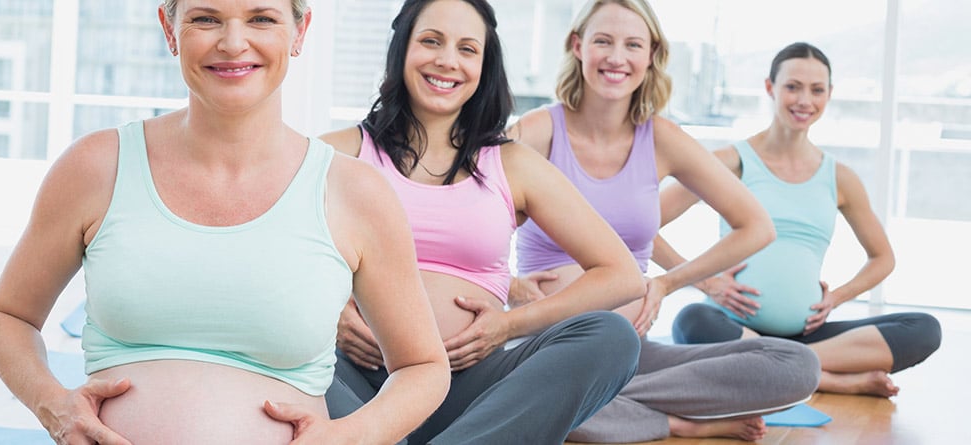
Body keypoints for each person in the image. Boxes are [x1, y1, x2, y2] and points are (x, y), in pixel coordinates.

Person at [0, 1, 451, 444]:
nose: (232, 43)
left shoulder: (356, 193)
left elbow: (423, 367)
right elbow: (9, 316)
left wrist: (348, 436)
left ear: (299, 31)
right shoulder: (96, 167)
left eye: (261, 18)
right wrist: (53, 406)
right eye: (206, 18)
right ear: (170, 29)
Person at [318, 0, 645, 443]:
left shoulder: (513, 164)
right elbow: (261, 256)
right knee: (273, 355)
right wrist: (332, 312)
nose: (447, 61)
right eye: (431, 41)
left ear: (484, 64)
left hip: (469, 389)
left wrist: (508, 326)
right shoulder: (334, 153)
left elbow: (622, 276)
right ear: (402, 49)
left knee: (612, 337)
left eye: (468, 49)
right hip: (353, 380)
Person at [507, 1, 819, 442]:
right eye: (603, 41)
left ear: (651, 54)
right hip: (545, 346)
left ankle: (599, 400)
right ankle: (673, 420)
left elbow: (757, 226)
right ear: (577, 46)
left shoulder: (663, 139)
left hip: (631, 353)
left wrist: (667, 282)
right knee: (523, 385)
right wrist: (508, 285)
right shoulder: (538, 131)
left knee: (796, 365)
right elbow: (466, 221)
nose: (617, 57)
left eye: (633, 44)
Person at [663, 42, 942, 398]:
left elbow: (883, 257)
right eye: (792, 87)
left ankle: (787, 365)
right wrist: (706, 283)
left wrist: (837, 298)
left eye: (817, 90)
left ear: (829, 95)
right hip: (730, 324)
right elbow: (644, 224)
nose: (804, 100)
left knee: (923, 328)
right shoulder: (730, 162)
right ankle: (830, 379)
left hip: (807, 330)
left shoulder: (840, 178)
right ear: (770, 88)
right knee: (691, 322)